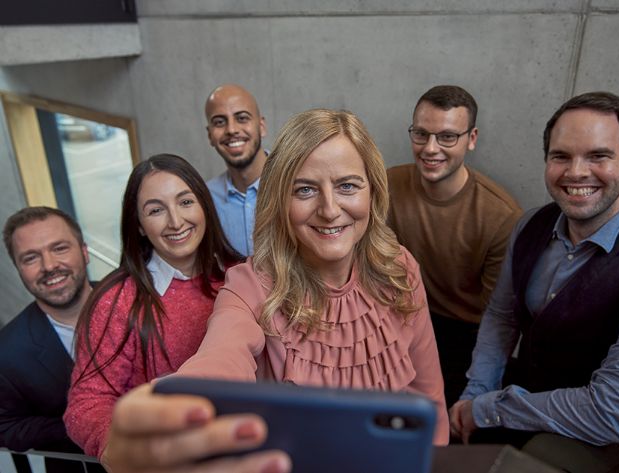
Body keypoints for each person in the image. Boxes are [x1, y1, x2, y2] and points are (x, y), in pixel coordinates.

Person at [100, 108, 449, 472]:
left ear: (373, 192)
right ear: (281, 201)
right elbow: (220, 359)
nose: (330, 210)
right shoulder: (250, 286)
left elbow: (428, 392)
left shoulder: (400, 269)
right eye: (305, 189)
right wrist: (167, 414)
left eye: (347, 185)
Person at [449, 92, 619, 472]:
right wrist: (474, 395)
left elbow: (613, 411)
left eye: (598, 156)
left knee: (531, 463)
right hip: (533, 397)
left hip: (617, 430)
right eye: (561, 156)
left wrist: (488, 409)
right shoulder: (531, 224)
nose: (575, 172)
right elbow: (502, 317)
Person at [64, 154, 242, 459]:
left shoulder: (241, 276)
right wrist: (126, 451)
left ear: (204, 206)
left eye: (186, 202)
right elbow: (86, 402)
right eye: (156, 210)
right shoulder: (117, 300)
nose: (175, 221)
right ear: (141, 226)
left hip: (245, 448)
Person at [387, 85, 522, 406]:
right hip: (397, 315)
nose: (430, 148)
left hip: (463, 333)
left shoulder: (500, 215)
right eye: (421, 134)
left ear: (471, 139)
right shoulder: (386, 184)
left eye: (447, 137)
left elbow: (497, 318)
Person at [0, 207, 102, 473]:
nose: (49, 266)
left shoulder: (136, 301)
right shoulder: (7, 352)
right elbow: (6, 427)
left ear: (84, 251)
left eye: (59, 248)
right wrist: (80, 425)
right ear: (18, 270)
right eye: (31, 258)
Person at [205, 83, 268, 256]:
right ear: (210, 135)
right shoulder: (204, 200)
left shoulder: (295, 184)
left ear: (261, 127)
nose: (231, 130)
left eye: (242, 118)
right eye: (219, 122)